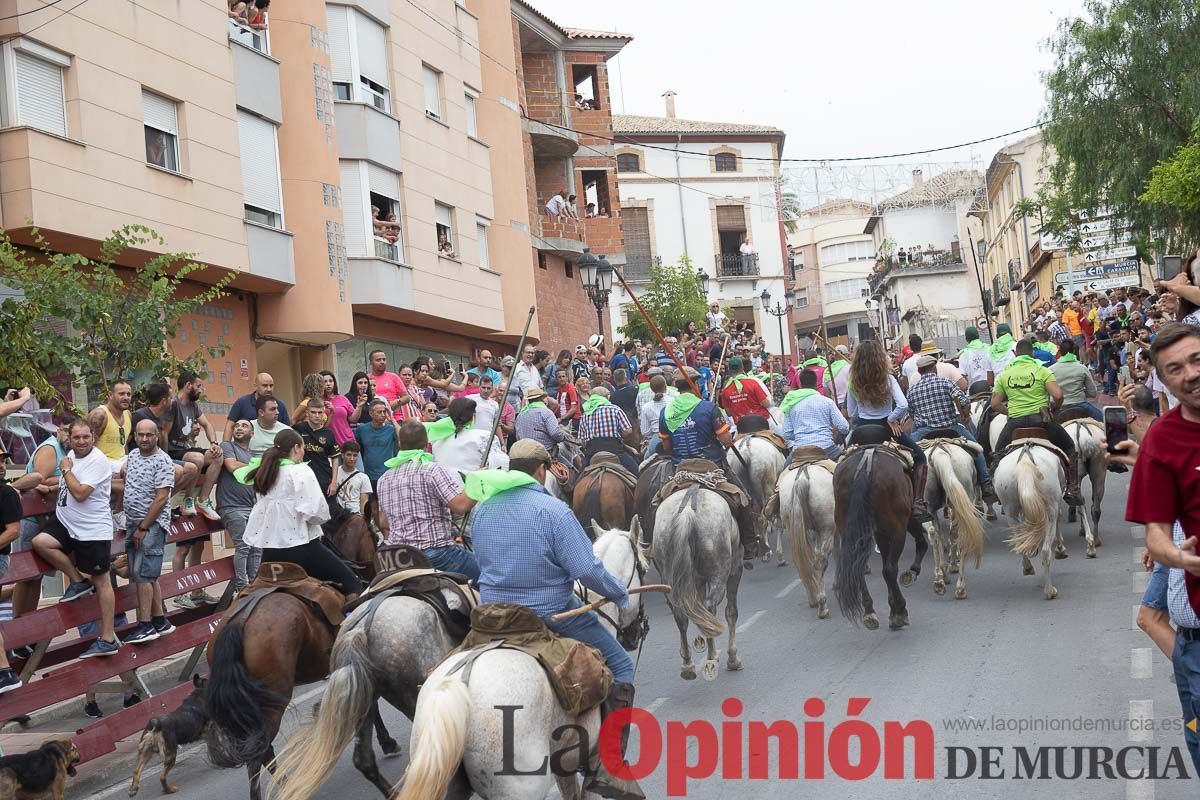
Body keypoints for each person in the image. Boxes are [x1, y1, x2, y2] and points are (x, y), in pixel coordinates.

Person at [467, 438, 641, 800]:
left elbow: (482, 561)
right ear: (542, 469)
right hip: (550, 614)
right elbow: (586, 569)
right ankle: (609, 765)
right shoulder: (554, 511)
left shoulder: (483, 509)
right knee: (622, 665)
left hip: (492, 618)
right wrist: (618, 593)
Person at [1124, 323, 1200, 777]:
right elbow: (1155, 534)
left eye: (1196, 360)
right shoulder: (1162, 440)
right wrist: (1177, 556)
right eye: (1175, 369)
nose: (1189, 374)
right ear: (1163, 382)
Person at [31, 420, 121, 657]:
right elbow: (68, 484)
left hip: (92, 530)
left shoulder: (97, 460)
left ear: (93, 437)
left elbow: (80, 493)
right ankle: (77, 581)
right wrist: (52, 487)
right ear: (69, 438)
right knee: (40, 542)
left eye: (85, 437)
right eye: (76, 437)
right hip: (66, 522)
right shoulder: (71, 454)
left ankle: (108, 637)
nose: (81, 442)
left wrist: (66, 470)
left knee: (102, 581)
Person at [239, 429, 361, 599]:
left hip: (269, 553)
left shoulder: (265, 473)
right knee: (353, 584)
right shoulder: (300, 471)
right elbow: (317, 512)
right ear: (296, 448)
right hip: (302, 548)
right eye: (303, 448)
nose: (303, 452)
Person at [659, 367, 759, 561]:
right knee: (743, 499)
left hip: (681, 469)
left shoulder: (666, 412)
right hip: (712, 467)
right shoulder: (708, 408)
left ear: (677, 387)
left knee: (656, 501)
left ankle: (654, 545)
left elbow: (667, 446)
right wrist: (728, 439)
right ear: (696, 384)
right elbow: (724, 440)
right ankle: (750, 544)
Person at [376, 421, 478, 579]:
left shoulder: (384, 478)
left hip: (398, 558)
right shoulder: (432, 470)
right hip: (436, 554)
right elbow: (461, 505)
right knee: (488, 573)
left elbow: (383, 522)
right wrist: (477, 481)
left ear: (400, 444)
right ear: (426, 444)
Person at [845, 338, 931, 524]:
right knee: (920, 457)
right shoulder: (889, 379)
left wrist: (863, 411)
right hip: (886, 429)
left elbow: (852, 412)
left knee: (843, 460)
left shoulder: (853, 382)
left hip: (861, 430)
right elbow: (903, 405)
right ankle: (917, 502)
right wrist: (891, 418)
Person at [990, 339, 1083, 506]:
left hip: (1015, 424)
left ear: (1015, 354)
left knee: (997, 453)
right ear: (1032, 353)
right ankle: (1072, 488)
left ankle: (994, 489)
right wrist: (1053, 410)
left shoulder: (1005, 374)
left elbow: (995, 404)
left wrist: (1011, 411)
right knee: (1069, 446)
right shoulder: (1041, 370)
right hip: (1041, 420)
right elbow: (1058, 396)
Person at [907, 355, 997, 502]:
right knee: (977, 449)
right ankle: (986, 483)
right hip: (951, 427)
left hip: (924, 431)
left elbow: (912, 414)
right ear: (934, 368)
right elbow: (964, 401)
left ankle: (913, 494)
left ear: (919, 371)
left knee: (909, 457)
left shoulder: (912, 390)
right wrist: (965, 412)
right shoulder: (946, 383)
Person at [120, 419, 176, 644]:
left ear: (157, 435)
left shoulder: (163, 461)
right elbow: (126, 476)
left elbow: (162, 498)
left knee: (144, 574)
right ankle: (160, 620)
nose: (144, 439)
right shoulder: (132, 455)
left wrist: (143, 527)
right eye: (140, 435)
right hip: (132, 522)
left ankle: (144, 625)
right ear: (135, 435)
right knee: (143, 574)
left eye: (149, 435)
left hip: (150, 525)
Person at [166, 372, 219, 520]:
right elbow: (163, 433)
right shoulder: (174, 404)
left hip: (184, 450)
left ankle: (203, 500)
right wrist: (162, 456)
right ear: (188, 385)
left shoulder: (193, 406)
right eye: (198, 386)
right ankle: (188, 501)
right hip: (170, 451)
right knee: (197, 459)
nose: (200, 390)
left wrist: (214, 443)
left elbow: (207, 424)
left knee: (217, 455)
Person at [217, 420, 260, 591]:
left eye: (244, 426)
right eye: (237, 426)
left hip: (251, 507)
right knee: (243, 546)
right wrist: (259, 468)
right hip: (231, 507)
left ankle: (254, 583)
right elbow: (232, 465)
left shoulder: (252, 457)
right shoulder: (228, 446)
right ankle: (242, 587)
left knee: (257, 548)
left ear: (252, 433)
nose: (239, 428)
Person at [779, 369, 848, 460]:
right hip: (826, 448)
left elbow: (786, 434)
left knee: (784, 472)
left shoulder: (791, 404)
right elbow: (844, 427)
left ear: (800, 384)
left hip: (800, 450)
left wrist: (801, 435)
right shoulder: (827, 402)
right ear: (816, 384)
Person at [0, 457, 25, 692]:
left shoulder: (6, 493)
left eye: (2, 460)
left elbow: (14, 532)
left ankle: (5, 671)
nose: (1, 465)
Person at [577, 386, 639, 475]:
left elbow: (583, 442)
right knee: (636, 471)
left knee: (579, 478)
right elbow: (628, 431)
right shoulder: (615, 409)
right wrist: (620, 436)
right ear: (607, 397)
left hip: (592, 451)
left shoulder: (585, 414)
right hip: (614, 449)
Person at [293, 402, 341, 503]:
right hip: (303, 479)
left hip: (324, 478)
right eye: (313, 412)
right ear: (307, 413)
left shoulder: (329, 433)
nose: (317, 415)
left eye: (320, 412)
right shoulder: (298, 429)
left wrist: (333, 482)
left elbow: (335, 458)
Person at [226, 372, 291, 439]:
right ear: (255, 386)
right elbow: (230, 427)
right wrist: (226, 446)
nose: (269, 389)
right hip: (247, 446)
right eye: (265, 386)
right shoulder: (242, 402)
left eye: (271, 386)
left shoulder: (279, 405)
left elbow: (287, 430)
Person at [1049, 339, 1101, 421]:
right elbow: (1093, 393)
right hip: (1081, 405)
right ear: (1074, 351)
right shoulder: (1082, 368)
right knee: (1106, 423)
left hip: (1058, 409)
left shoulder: (1050, 370)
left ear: (1059, 352)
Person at [355, 399, 400, 490]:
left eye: (384, 412)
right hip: (369, 474)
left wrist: (392, 419)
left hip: (388, 474)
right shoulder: (362, 429)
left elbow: (402, 438)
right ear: (371, 414)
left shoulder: (390, 429)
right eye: (379, 412)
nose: (383, 415)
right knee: (372, 502)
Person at [718, 357, 771, 427]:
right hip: (761, 422)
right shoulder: (753, 382)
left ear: (729, 369)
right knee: (780, 433)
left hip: (741, 426)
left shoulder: (725, 390)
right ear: (742, 367)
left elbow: (729, 413)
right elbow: (766, 404)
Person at [515, 387, 566, 455]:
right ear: (543, 399)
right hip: (544, 451)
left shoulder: (520, 415)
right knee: (567, 464)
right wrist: (563, 436)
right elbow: (555, 433)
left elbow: (518, 436)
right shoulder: (546, 412)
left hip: (525, 451)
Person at [367, 350, 411, 421]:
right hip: (374, 420)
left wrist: (397, 402)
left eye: (384, 359)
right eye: (378, 360)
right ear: (371, 363)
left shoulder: (393, 377)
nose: (382, 362)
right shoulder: (367, 379)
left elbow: (406, 397)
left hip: (395, 418)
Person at [334, 441, 372, 517]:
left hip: (354, 516)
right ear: (342, 455)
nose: (352, 458)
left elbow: (364, 502)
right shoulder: (334, 473)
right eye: (349, 455)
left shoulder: (363, 478)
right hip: (337, 515)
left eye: (355, 455)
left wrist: (363, 520)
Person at [639, 375, 671, 458]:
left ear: (651, 389)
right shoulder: (674, 401)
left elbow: (645, 432)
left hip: (657, 438)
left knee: (645, 460)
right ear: (665, 386)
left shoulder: (646, 407)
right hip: (673, 437)